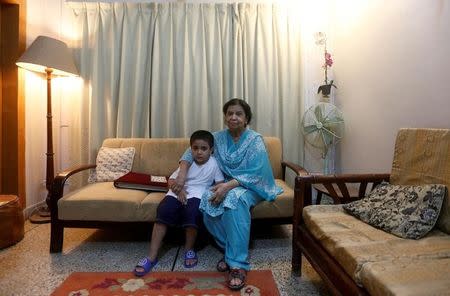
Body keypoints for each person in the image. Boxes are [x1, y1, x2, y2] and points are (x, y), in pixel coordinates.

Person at [172, 98, 283, 290]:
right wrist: (181, 175)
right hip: (224, 184)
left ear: (246, 118)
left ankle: (238, 265)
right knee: (206, 199)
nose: (233, 117)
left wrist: (229, 185)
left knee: (234, 199)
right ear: (225, 117)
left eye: (239, 114)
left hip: (251, 186)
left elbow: (258, 172)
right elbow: (190, 152)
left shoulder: (255, 140)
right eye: (230, 113)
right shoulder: (218, 138)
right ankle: (230, 249)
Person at [133, 130, 224, 277]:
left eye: (204, 148)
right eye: (195, 148)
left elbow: (220, 183)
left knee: (193, 213)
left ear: (211, 150)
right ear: (190, 149)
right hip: (177, 193)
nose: (199, 152)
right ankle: (151, 256)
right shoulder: (186, 164)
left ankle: (189, 249)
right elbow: (170, 180)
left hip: (198, 194)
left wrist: (215, 191)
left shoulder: (214, 164)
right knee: (163, 210)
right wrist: (179, 190)